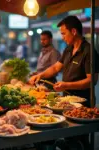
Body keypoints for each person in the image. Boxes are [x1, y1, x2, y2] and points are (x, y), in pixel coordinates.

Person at [29, 16, 99, 150]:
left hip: (83, 106)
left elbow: (92, 80)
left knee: (79, 141)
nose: (62, 37)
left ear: (73, 31)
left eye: (63, 33)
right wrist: (40, 75)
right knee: (68, 138)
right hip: (67, 103)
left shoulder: (88, 51)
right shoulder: (68, 49)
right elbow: (56, 67)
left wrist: (66, 85)